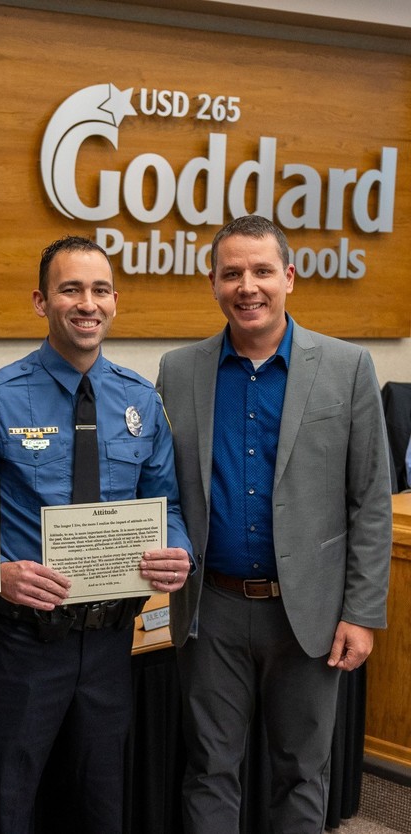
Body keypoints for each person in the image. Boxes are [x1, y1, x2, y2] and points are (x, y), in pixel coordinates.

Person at [156, 215, 392, 834]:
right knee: (209, 769)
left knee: (302, 772)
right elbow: (164, 490)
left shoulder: (347, 367)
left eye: (262, 270)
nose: (247, 286)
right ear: (213, 284)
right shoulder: (179, 372)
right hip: (213, 609)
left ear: (288, 277)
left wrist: (363, 613)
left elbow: (370, 500)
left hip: (309, 612)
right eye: (231, 273)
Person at [0, 235, 192, 834]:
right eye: (70, 289)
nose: (87, 303)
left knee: (100, 806)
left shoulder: (141, 401)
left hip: (113, 644)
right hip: (22, 645)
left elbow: (166, 507)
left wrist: (178, 552)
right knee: (6, 803)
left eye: (100, 289)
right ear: (41, 301)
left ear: (114, 300)